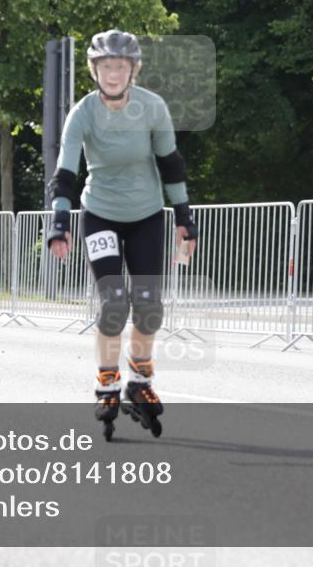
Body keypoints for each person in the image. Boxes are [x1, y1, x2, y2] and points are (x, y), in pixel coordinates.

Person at [45, 29, 198, 440]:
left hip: (146, 216)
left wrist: (183, 216)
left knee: (148, 307)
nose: (113, 74)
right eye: (106, 66)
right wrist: (59, 223)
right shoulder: (83, 113)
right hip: (100, 215)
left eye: (121, 66)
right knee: (114, 303)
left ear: (134, 70)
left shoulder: (152, 107)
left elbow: (171, 164)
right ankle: (107, 382)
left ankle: (140, 382)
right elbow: (65, 172)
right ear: (94, 70)